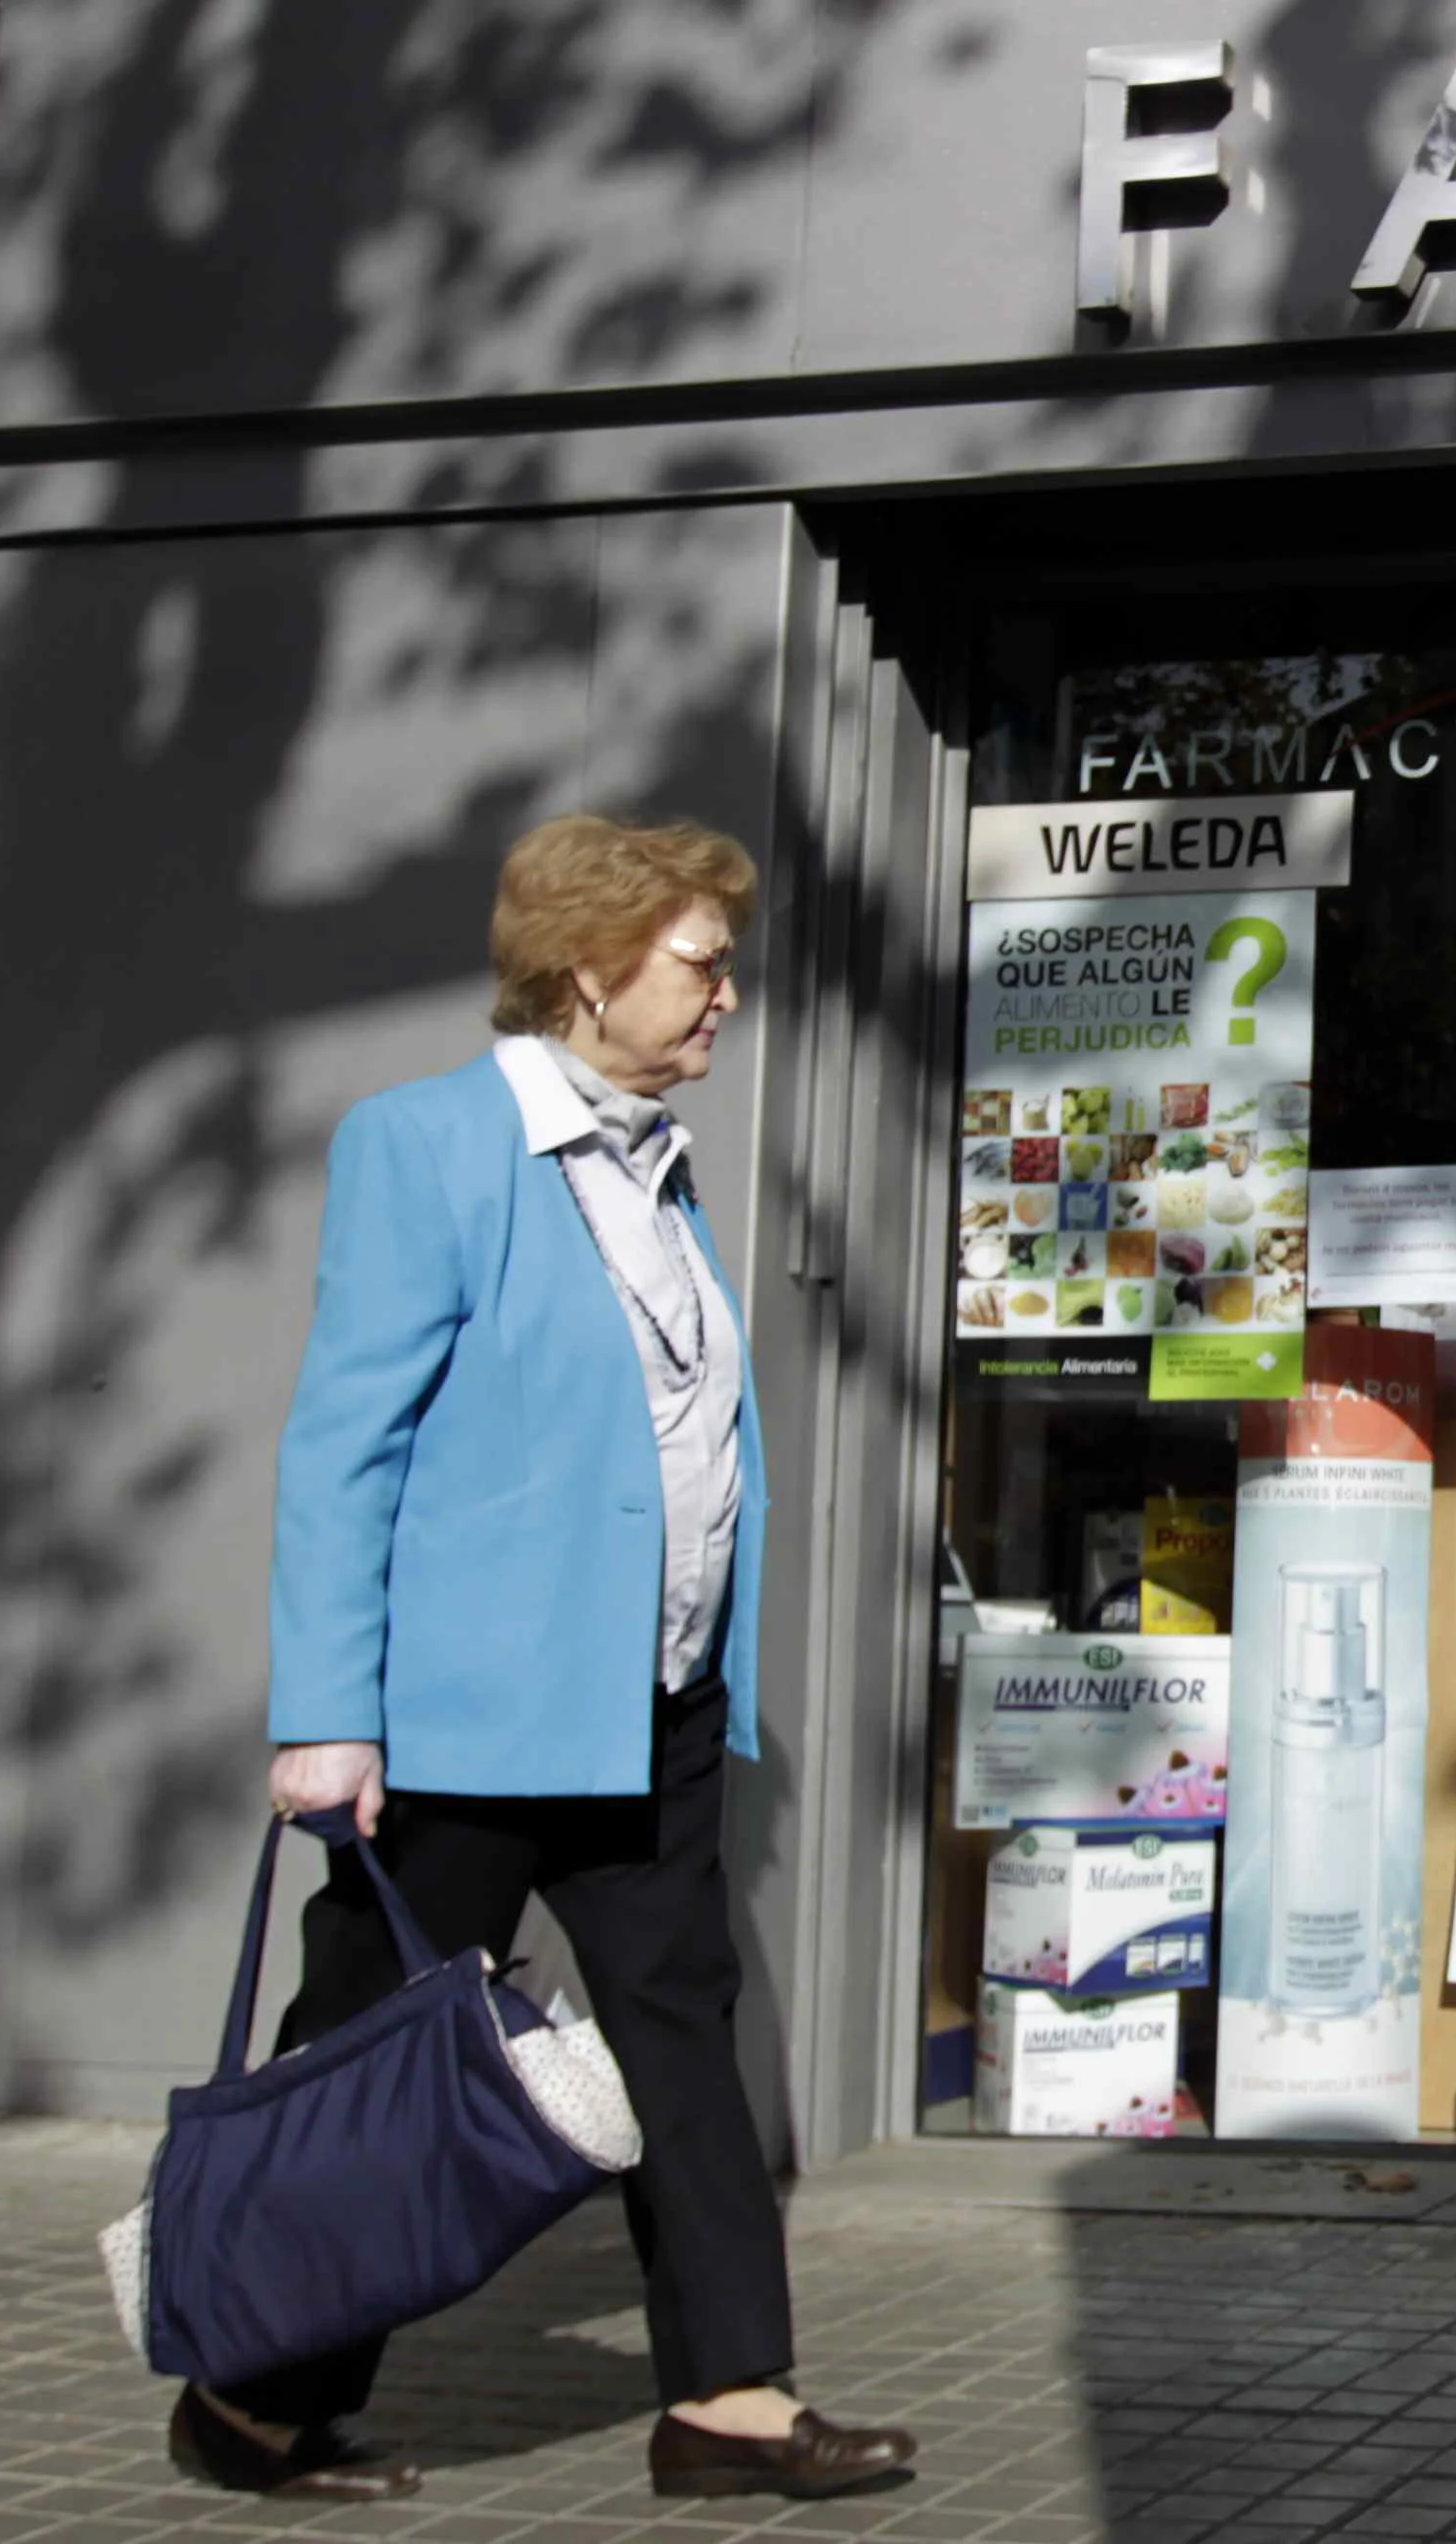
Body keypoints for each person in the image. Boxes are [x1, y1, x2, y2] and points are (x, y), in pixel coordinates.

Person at [174, 816, 919, 2504]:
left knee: (681, 2035)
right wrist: (325, 1719)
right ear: (590, 967)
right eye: (701, 962)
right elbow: (343, 1443)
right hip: (465, 1721)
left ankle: (728, 2402)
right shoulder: (429, 1144)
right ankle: (253, 2404)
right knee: (363, 2063)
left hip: (648, 1703)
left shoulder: (653, 1153)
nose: (730, 992)